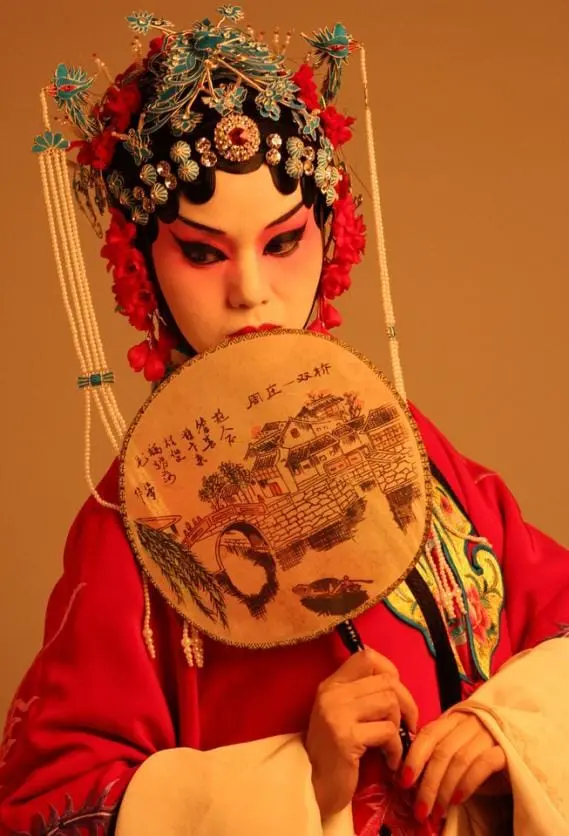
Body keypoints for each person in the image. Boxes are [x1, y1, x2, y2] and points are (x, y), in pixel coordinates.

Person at [1, 8, 568, 836]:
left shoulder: (404, 440)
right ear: (141, 263)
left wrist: (512, 726)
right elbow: (49, 806)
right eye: (202, 251)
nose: (250, 291)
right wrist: (305, 776)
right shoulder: (136, 522)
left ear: (329, 238)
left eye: (282, 242)